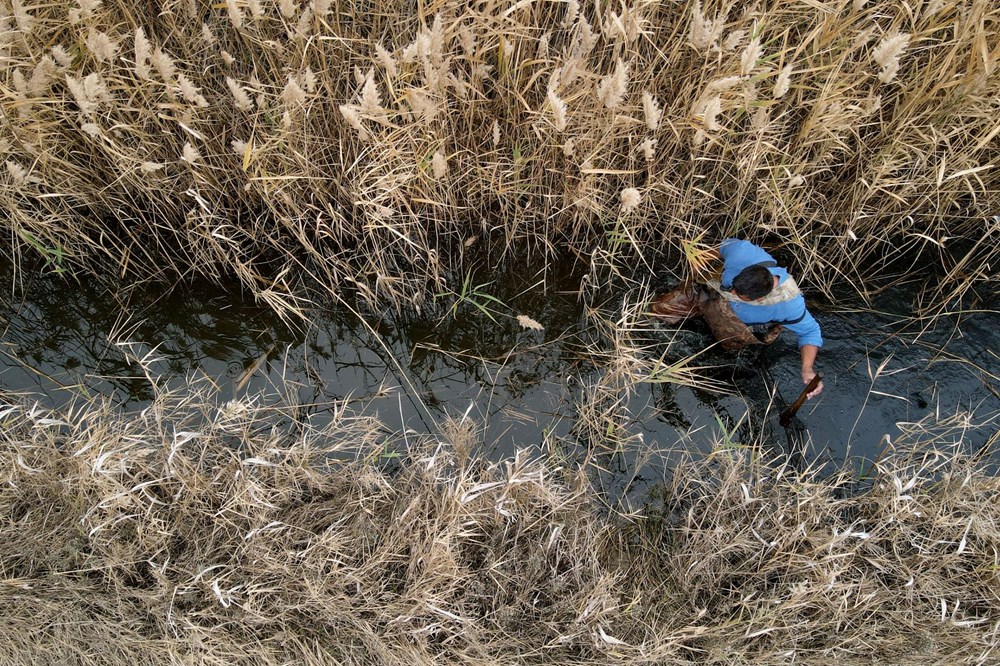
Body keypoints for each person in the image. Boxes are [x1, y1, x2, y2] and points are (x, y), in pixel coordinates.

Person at [715, 238, 823, 398]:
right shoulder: (742, 252)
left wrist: (807, 369)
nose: (731, 294)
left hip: (744, 328)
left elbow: (811, 332)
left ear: (758, 299)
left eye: (738, 294)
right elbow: (716, 249)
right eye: (734, 287)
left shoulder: (789, 304)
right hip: (717, 305)